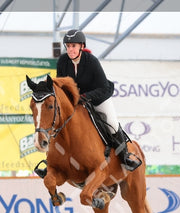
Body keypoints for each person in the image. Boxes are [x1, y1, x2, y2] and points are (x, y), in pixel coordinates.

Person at [34, 29, 141, 178]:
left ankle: (125, 156)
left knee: (111, 122)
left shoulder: (91, 61)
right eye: (68, 46)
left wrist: (85, 97)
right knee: (56, 122)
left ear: (81, 46)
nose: (70, 49)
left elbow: (103, 88)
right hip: (75, 102)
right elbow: (60, 85)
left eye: (73, 46)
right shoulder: (63, 61)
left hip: (98, 98)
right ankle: (51, 162)